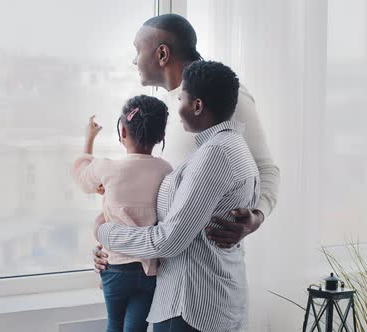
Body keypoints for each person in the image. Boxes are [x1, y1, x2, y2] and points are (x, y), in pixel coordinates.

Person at [93, 13, 280, 271]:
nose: (134, 59)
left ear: (162, 54)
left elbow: (266, 169)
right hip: (158, 270)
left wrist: (256, 216)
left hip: (204, 274)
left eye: (138, 50)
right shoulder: (162, 109)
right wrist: (114, 246)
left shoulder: (223, 99)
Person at [96, 60, 258, 331]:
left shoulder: (215, 155)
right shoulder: (232, 147)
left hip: (190, 305)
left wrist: (106, 232)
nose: (177, 107)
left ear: (197, 106)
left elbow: (168, 240)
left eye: (181, 97)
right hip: (212, 299)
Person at [73, 95, 173, 332]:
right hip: (149, 270)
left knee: (114, 325)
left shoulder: (107, 168)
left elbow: (82, 176)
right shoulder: (165, 169)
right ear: (160, 136)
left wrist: (89, 139)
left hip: (115, 267)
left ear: (124, 133)